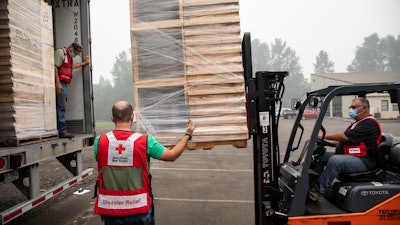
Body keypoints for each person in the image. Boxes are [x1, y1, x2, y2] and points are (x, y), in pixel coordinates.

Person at [93, 101, 195, 225]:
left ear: (112, 118)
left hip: (110, 210)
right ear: (132, 117)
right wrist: (188, 134)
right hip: (139, 209)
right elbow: (172, 155)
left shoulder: (100, 142)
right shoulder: (145, 141)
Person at [309, 97, 382, 201]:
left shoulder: (369, 124)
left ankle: (316, 191)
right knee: (320, 156)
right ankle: (310, 185)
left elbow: (345, 137)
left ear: (364, 108)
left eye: (353, 107)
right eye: (350, 107)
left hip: (365, 161)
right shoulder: (358, 123)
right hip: (354, 156)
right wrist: (325, 143)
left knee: (335, 161)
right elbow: (343, 142)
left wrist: (324, 136)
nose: (350, 110)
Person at [54, 42, 90, 138]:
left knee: (63, 105)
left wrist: (84, 63)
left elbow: (71, 67)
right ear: (71, 49)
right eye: (75, 53)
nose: (75, 56)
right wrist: (57, 83)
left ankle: (62, 130)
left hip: (64, 83)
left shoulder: (68, 57)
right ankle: (62, 131)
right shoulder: (60, 53)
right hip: (60, 83)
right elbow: (54, 67)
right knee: (61, 106)